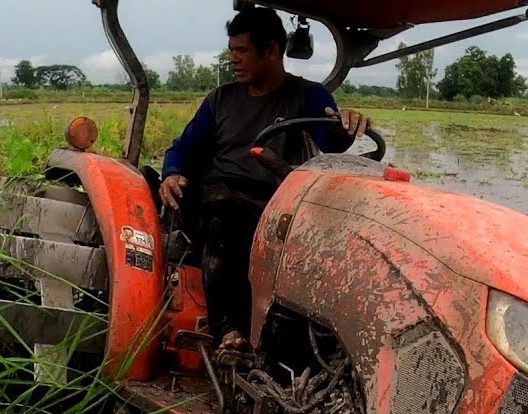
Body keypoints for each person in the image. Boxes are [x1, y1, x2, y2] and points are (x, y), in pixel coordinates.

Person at [159, 6, 372, 353]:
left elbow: (331, 139)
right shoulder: (220, 100)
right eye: (232, 51)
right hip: (218, 200)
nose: (234, 60)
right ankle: (229, 331)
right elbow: (184, 147)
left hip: (276, 202)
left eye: (241, 51)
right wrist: (173, 172)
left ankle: (318, 344)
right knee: (224, 215)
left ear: (272, 50)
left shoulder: (309, 96)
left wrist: (345, 126)